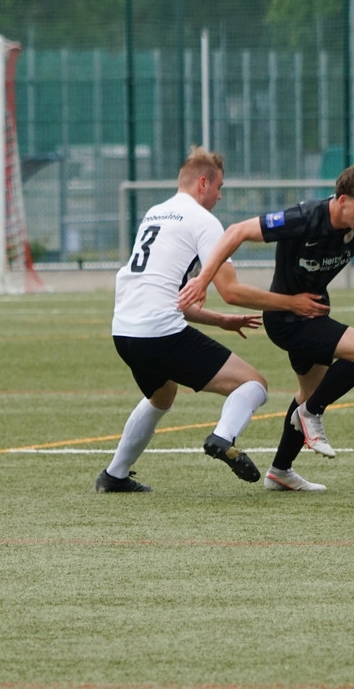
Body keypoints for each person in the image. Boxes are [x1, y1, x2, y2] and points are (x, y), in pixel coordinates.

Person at [178, 165, 354, 491]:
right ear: (342, 200)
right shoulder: (303, 218)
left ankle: (280, 471)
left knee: (308, 393)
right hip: (286, 319)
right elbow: (236, 231)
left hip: (312, 314)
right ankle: (311, 414)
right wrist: (203, 279)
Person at [97, 146, 329, 493]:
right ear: (203, 183)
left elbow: (169, 295)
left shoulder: (155, 213)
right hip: (159, 333)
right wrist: (291, 303)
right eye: (219, 187)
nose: (220, 196)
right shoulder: (203, 220)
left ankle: (114, 476)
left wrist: (220, 320)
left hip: (124, 331)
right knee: (254, 384)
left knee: (162, 396)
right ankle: (223, 437)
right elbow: (231, 290)